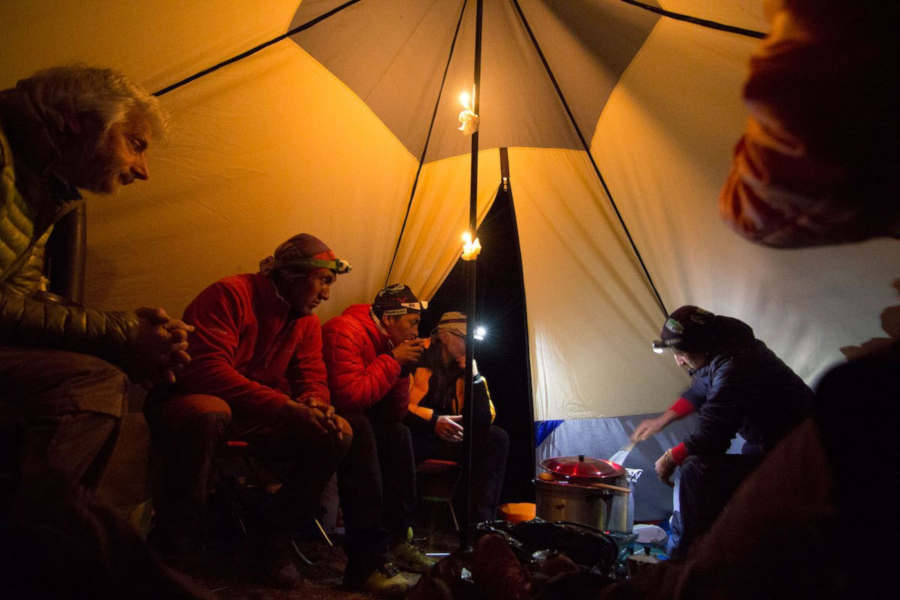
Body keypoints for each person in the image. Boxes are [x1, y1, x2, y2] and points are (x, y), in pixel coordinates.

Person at [0, 64, 209, 599]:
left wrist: (130, 341)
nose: (143, 171)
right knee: (87, 381)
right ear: (75, 121)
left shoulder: (38, 182)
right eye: (136, 144)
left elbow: (21, 296)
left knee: (100, 372)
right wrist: (115, 332)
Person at [144, 233, 353, 589]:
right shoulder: (230, 295)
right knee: (209, 412)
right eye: (324, 281)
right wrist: (285, 407)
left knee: (338, 432)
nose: (326, 294)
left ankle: (271, 540)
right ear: (292, 275)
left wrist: (315, 403)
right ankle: (174, 548)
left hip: (257, 413)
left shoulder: (306, 321)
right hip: (191, 399)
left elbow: (312, 375)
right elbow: (206, 370)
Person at [632, 305, 812, 556]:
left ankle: (687, 562)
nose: (678, 360)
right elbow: (700, 389)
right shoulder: (722, 347)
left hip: (795, 460)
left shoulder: (736, 366)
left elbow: (713, 437)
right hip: (770, 447)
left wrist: (672, 456)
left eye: (682, 352)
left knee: (696, 472)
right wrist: (663, 419)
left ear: (701, 346)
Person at [322, 283, 435, 596]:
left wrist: (401, 370)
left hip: (363, 422)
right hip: (329, 421)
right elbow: (350, 397)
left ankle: (397, 541)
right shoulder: (344, 331)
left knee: (397, 434)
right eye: (411, 323)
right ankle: (364, 563)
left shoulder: (389, 343)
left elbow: (394, 415)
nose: (416, 331)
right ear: (388, 320)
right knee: (359, 427)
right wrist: (393, 360)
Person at [406, 311, 509, 523]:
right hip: (414, 433)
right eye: (464, 338)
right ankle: (405, 524)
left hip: (445, 439)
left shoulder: (465, 367)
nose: (469, 344)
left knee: (496, 437)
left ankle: (480, 527)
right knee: (399, 434)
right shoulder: (415, 355)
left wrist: (475, 378)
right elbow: (397, 406)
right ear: (443, 336)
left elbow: (483, 420)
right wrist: (433, 421)